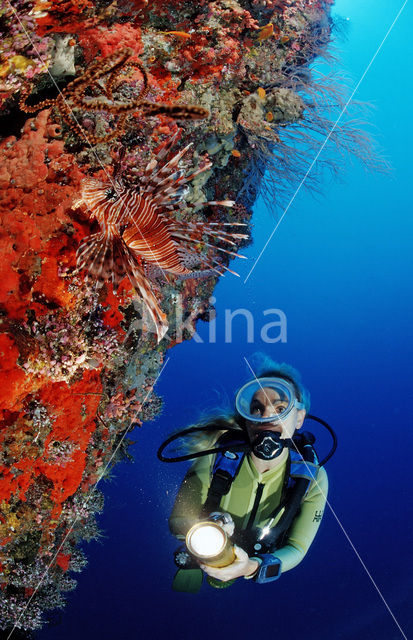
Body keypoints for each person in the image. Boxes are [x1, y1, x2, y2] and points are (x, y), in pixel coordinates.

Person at [168, 361, 329, 589]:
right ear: (246, 417)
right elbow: (177, 520)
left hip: (258, 553)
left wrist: (251, 567)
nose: (266, 418)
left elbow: (297, 548)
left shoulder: (313, 477)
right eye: (256, 408)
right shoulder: (216, 457)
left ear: (300, 418)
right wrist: (209, 526)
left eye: (281, 408)